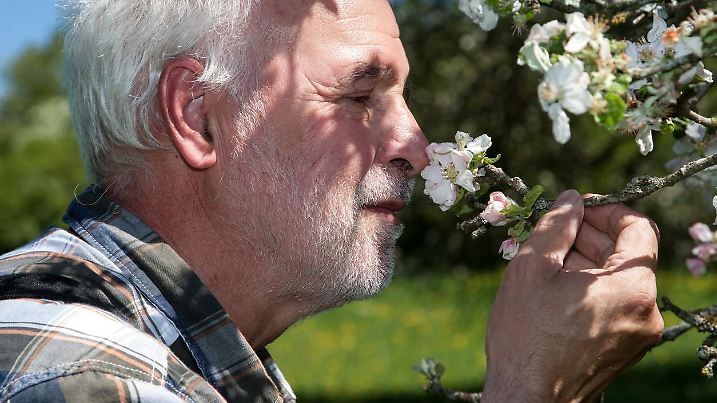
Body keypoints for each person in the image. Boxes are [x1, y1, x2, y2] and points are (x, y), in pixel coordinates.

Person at [0, 0, 662, 402]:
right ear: (197, 118)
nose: (416, 146)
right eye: (358, 95)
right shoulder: (84, 377)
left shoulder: (185, 354)